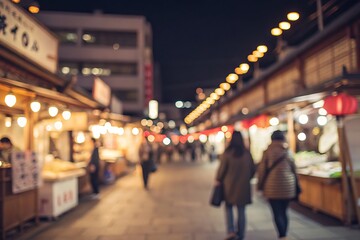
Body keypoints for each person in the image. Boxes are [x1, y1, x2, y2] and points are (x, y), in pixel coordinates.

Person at [215, 131, 256, 240]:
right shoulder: (247, 153)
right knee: (241, 210)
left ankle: (231, 231)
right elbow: (253, 169)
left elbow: (221, 170)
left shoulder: (227, 153)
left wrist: (218, 179)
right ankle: (241, 234)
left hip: (229, 186)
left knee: (229, 208)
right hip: (243, 187)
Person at [256, 130, 296, 240]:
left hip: (272, 188)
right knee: (284, 211)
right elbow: (294, 169)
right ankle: (285, 234)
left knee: (277, 212)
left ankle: (282, 235)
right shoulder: (288, 151)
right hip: (288, 186)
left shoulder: (267, 152)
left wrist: (259, 186)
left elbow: (262, 171)